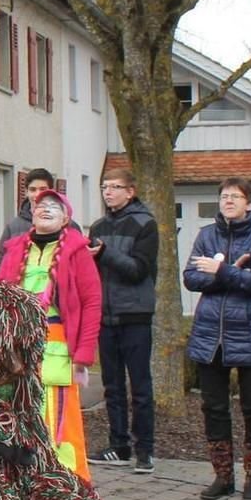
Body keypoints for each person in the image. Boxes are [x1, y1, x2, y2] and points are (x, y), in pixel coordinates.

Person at [0, 187, 101, 483]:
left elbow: (92, 302)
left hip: (57, 346)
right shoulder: (15, 249)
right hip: (18, 346)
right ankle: (22, 476)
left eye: (53, 204)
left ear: (66, 216)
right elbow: (0, 297)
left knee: (58, 417)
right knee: (17, 410)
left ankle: (62, 480)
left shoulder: (77, 251)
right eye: (40, 204)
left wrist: (83, 355)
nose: (45, 208)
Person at [184, 178, 251, 500]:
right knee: (214, 407)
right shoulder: (206, 235)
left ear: (249, 204)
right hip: (211, 335)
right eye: (224, 196)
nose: (228, 201)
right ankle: (223, 476)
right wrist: (230, 274)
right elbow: (190, 278)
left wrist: (222, 271)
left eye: (235, 197)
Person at [88, 167, 159, 473]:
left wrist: (104, 254)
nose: (108, 192)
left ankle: (145, 450)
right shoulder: (99, 226)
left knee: (140, 386)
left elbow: (138, 270)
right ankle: (119, 446)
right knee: (112, 386)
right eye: (104, 187)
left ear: (130, 191)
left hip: (135, 314)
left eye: (114, 187)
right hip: (105, 315)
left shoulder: (146, 224)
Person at [0, 168, 58, 250]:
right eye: (32, 190)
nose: (37, 194)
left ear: (52, 191)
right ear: (26, 192)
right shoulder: (13, 227)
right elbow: (2, 261)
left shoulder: (67, 225)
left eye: (43, 189)